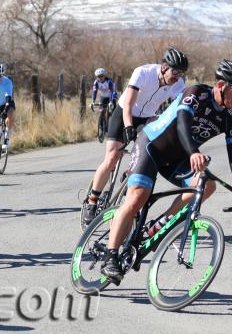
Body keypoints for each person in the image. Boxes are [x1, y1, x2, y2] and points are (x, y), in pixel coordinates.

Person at [101, 60, 232, 280]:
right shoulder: (196, 93)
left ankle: (161, 223)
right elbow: (182, 124)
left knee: (207, 185)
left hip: (177, 159)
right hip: (151, 147)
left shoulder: (229, 117)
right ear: (222, 86)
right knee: (137, 198)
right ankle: (110, 255)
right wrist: (193, 152)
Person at [82, 48, 189, 226]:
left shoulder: (178, 84)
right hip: (124, 112)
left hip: (147, 117)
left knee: (146, 154)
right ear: (164, 67)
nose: (177, 77)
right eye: (175, 71)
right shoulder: (143, 72)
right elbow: (129, 103)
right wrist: (129, 126)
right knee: (112, 156)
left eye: (182, 73)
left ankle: (129, 173)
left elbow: (179, 109)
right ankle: (92, 200)